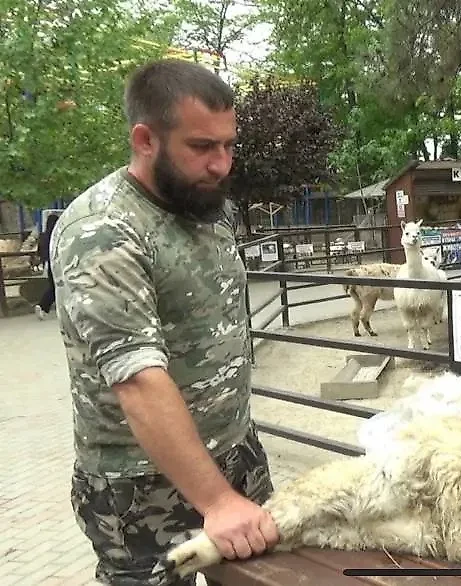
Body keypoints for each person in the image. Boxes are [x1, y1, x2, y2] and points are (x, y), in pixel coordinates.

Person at [49, 59, 278, 585]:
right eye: (202, 146)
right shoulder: (103, 231)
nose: (221, 164)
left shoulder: (202, 205)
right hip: (139, 487)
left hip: (234, 453)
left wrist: (232, 479)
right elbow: (136, 380)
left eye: (229, 145)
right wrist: (217, 501)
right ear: (145, 140)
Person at [33, 211, 59, 319]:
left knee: (54, 286)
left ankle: (44, 306)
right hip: (56, 263)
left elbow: (39, 252)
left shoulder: (43, 236)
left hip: (47, 263)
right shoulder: (56, 235)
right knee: (57, 287)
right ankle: (42, 305)